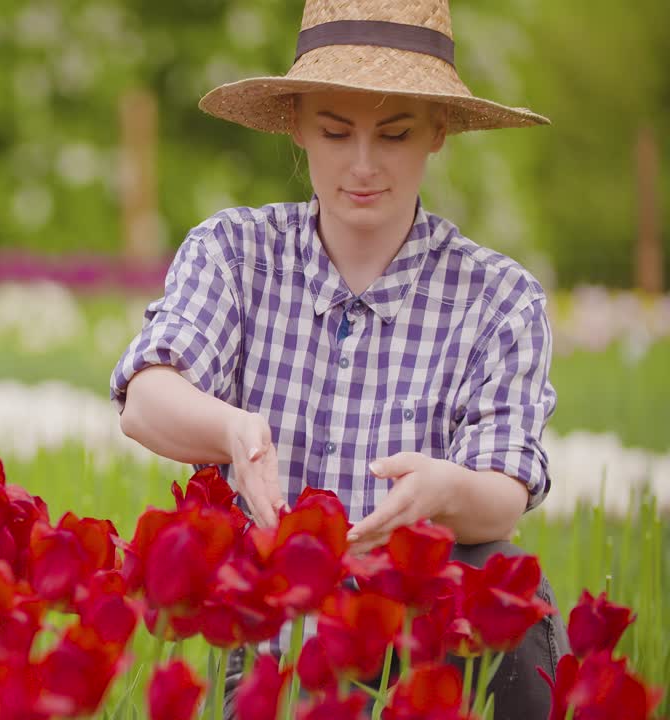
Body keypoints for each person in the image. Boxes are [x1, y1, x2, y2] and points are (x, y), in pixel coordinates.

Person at [110, 0, 569, 717]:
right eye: (334, 131)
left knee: (498, 571)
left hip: (425, 639)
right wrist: (230, 429)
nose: (361, 164)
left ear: (438, 132)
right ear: (295, 123)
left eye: (394, 134)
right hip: (273, 628)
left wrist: (445, 490)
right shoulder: (234, 252)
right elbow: (144, 400)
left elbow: (505, 489)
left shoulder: (499, 298)